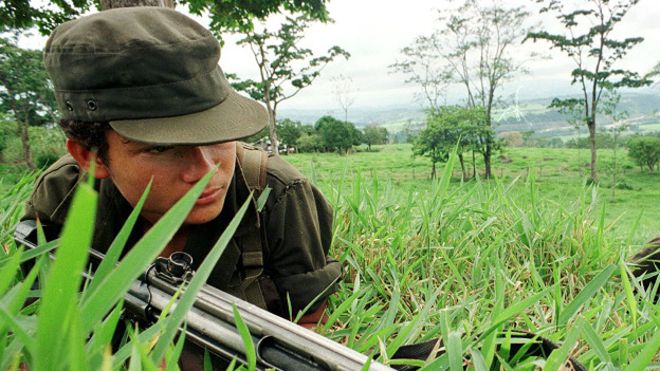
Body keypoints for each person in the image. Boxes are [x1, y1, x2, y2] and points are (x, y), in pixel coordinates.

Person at [21, 6, 341, 334]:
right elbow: (38, 313)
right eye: (161, 148)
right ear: (92, 157)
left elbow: (310, 322)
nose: (206, 170)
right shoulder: (65, 196)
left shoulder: (276, 193)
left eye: (217, 134)